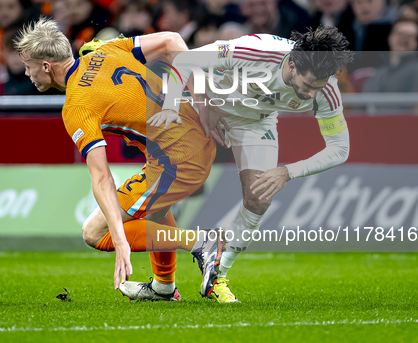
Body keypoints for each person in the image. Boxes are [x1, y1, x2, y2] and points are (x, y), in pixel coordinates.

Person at [14, 18, 225, 301]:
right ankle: (164, 287)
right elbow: (173, 40)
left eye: (28, 67)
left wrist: (121, 240)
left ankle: (202, 243)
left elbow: (101, 177)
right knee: (154, 208)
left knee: (94, 232)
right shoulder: (104, 50)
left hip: (180, 158)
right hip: (191, 136)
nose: (27, 74)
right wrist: (202, 100)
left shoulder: (76, 105)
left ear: (46, 67)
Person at [151, 26, 354, 302]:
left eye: (317, 88)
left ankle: (216, 276)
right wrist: (180, 104)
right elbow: (186, 60)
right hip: (203, 104)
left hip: (255, 121)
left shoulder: (325, 89)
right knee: (165, 185)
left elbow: (340, 149)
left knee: (259, 196)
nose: (310, 95)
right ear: (292, 65)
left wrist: (287, 172)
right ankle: (161, 283)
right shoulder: (255, 51)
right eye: (307, 86)